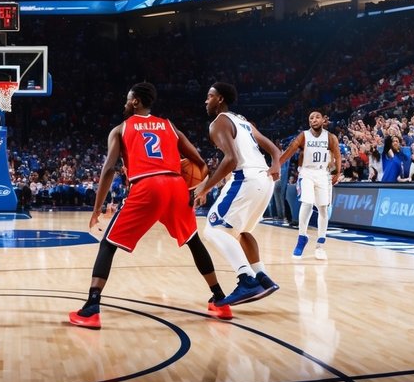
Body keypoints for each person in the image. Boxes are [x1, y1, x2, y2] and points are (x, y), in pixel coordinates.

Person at [68, 82, 230, 329]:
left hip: (147, 186)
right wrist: (199, 188)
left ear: (135, 102)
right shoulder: (169, 125)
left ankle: (91, 307)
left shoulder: (120, 129)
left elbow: (109, 169)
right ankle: (220, 299)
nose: (124, 103)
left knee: (108, 244)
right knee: (193, 241)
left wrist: (97, 209)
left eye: (127, 99)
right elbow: (199, 161)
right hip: (176, 186)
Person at [192, 82, 283, 307]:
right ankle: (262, 276)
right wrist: (276, 165)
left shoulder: (218, 123)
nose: (206, 100)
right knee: (241, 232)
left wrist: (206, 187)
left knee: (212, 229)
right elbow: (274, 149)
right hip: (264, 179)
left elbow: (231, 159)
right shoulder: (243, 121)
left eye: (209, 96)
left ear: (220, 99)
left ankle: (247, 280)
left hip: (246, 178)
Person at [277, 110, 340, 259]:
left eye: (317, 117)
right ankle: (302, 237)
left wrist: (337, 173)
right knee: (307, 203)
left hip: (323, 174)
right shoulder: (303, 136)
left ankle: (320, 245)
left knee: (323, 209)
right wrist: (277, 165)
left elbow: (337, 154)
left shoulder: (331, 138)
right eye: (311, 118)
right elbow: (290, 150)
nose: (314, 119)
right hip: (306, 173)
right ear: (309, 122)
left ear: (323, 120)